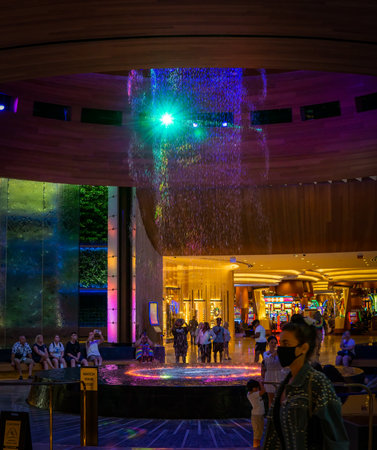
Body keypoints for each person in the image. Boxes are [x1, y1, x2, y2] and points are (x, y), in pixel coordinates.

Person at [262, 320, 349, 449]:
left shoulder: (317, 382)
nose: (281, 349)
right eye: (281, 343)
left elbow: (336, 437)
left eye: (286, 343)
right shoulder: (285, 383)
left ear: (303, 348)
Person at [262, 335, 287, 406]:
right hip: (270, 376)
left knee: (280, 398)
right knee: (271, 398)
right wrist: (273, 354)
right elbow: (267, 361)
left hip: (279, 376)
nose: (273, 344)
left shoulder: (279, 353)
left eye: (275, 343)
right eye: (272, 343)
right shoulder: (266, 353)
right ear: (268, 343)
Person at [247, 379, 266, 449]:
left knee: (259, 432)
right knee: (257, 433)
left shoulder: (252, 393)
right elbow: (264, 391)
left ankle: (257, 446)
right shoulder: (253, 394)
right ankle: (256, 447)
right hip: (256, 416)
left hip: (259, 415)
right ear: (253, 388)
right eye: (257, 387)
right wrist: (261, 384)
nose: (258, 389)